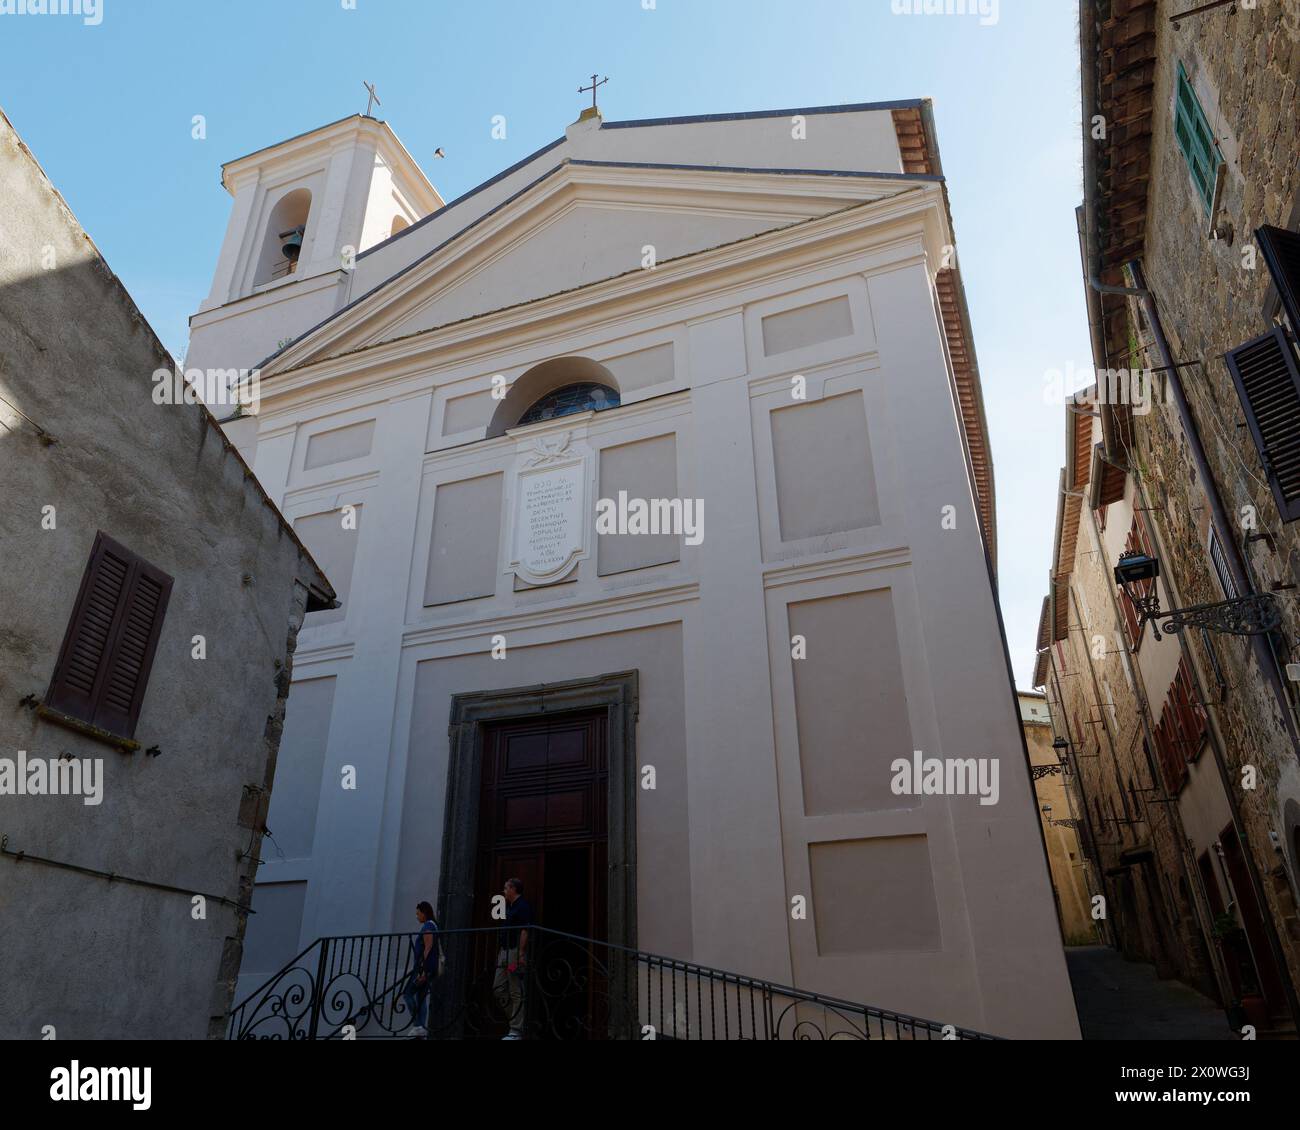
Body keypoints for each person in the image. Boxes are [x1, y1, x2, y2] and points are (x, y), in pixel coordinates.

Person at [493, 878, 534, 1040]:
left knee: (516, 990)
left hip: (514, 953)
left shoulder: (523, 906)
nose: (503, 891)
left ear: (513, 889)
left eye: (505, 888)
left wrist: (521, 954)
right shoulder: (509, 907)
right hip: (504, 953)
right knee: (498, 988)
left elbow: (525, 930)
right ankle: (516, 1021)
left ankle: (516, 1030)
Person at [402, 901, 439, 1038]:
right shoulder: (432, 925)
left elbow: (428, 948)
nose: (417, 916)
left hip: (424, 969)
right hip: (428, 969)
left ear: (424, 913)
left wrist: (422, 971)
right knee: (421, 998)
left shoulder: (428, 926)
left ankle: (418, 1025)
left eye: (418, 913)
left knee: (407, 994)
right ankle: (421, 1028)